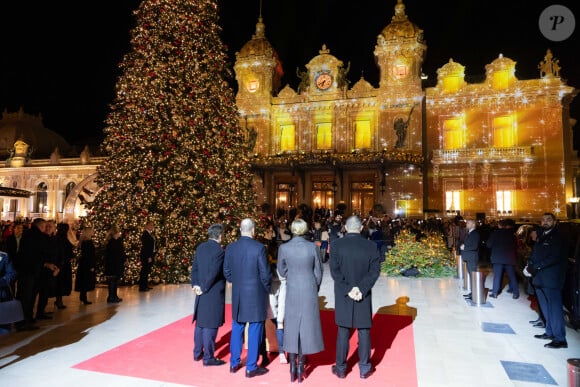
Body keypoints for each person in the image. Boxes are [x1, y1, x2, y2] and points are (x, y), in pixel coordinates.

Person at [329, 215, 381, 379]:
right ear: (360, 228)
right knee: (364, 330)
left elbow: (334, 272)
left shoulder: (336, 245)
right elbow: (375, 271)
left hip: (344, 294)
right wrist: (361, 288)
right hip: (362, 295)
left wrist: (348, 289)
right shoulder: (371, 246)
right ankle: (364, 368)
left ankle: (341, 368)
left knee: (343, 331)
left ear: (345, 227)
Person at [223, 218, 272, 378]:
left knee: (237, 328)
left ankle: (234, 363)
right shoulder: (259, 248)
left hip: (238, 295)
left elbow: (227, 272)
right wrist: (266, 290)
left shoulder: (230, 248)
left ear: (240, 230)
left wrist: (236, 282)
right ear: (253, 230)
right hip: (256, 295)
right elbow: (265, 274)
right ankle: (251, 367)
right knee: (255, 329)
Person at [277, 218, 324, 383]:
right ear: (304, 230)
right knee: (306, 327)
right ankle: (302, 365)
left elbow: (281, 271)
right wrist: (314, 286)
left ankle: (292, 366)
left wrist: (291, 275)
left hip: (292, 289)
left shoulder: (284, 247)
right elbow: (318, 271)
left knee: (292, 326)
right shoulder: (312, 247)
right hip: (308, 288)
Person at [524, 212, 568, 349]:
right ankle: (549, 333)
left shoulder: (558, 237)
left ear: (555, 222)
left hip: (551, 279)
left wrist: (535, 267)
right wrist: (529, 265)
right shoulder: (542, 236)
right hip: (539, 279)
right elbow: (535, 254)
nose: (545, 222)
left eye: (549, 219)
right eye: (543, 220)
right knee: (545, 308)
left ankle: (560, 339)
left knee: (554, 309)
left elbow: (554, 257)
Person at [191, 224, 226, 367]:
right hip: (212, 292)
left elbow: (195, 269)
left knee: (200, 323)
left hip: (200, 290)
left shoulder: (200, 247)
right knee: (211, 325)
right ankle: (208, 358)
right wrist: (204, 287)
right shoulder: (219, 251)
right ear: (220, 235)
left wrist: (196, 285)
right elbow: (213, 272)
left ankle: (197, 353)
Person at [15, 218, 51, 330]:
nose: (46, 228)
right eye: (45, 226)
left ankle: (26, 319)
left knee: (25, 296)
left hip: (26, 270)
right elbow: (38, 253)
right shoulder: (37, 236)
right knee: (26, 297)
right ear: (40, 226)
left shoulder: (29, 235)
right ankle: (23, 322)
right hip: (30, 271)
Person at [487, 218, 520, 299]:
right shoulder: (512, 235)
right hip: (509, 258)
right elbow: (515, 246)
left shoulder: (495, 234)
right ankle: (516, 293)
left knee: (497, 276)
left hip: (498, 258)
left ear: (500, 225)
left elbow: (488, 245)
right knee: (512, 276)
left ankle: (495, 293)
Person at [74, 226, 97, 305]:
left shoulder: (84, 242)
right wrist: (91, 266)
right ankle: (84, 298)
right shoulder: (87, 242)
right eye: (92, 231)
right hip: (87, 265)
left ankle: (83, 297)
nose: (93, 232)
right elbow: (89, 255)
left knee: (84, 281)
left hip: (84, 264)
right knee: (85, 281)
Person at [104, 225, 126, 303]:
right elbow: (114, 254)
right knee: (112, 280)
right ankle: (111, 297)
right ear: (115, 233)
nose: (120, 233)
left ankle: (114, 296)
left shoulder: (117, 241)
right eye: (119, 232)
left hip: (117, 264)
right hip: (113, 264)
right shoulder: (112, 242)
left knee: (115, 280)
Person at [459, 219, 480, 300]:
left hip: (472, 257)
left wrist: (464, 247)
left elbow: (474, 246)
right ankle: (472, 293)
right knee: (471, 275)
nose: (466, 224)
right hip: (469, 257)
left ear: (473, 225)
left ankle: (474, 294)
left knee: (473, 276)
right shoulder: (470, 233)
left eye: (468, 223)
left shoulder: (475, 234)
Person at [139, 221, 156, 292]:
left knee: (146, 271)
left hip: (150, 255)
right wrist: (148, 256)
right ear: (147, 226)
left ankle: (145, 285)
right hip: (146, 256)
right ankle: (142, 287)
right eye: (151, 225)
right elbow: (146, 247)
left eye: (153, 225)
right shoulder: (145, 234)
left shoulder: (150, 234)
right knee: (144, 271)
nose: (152, 227)